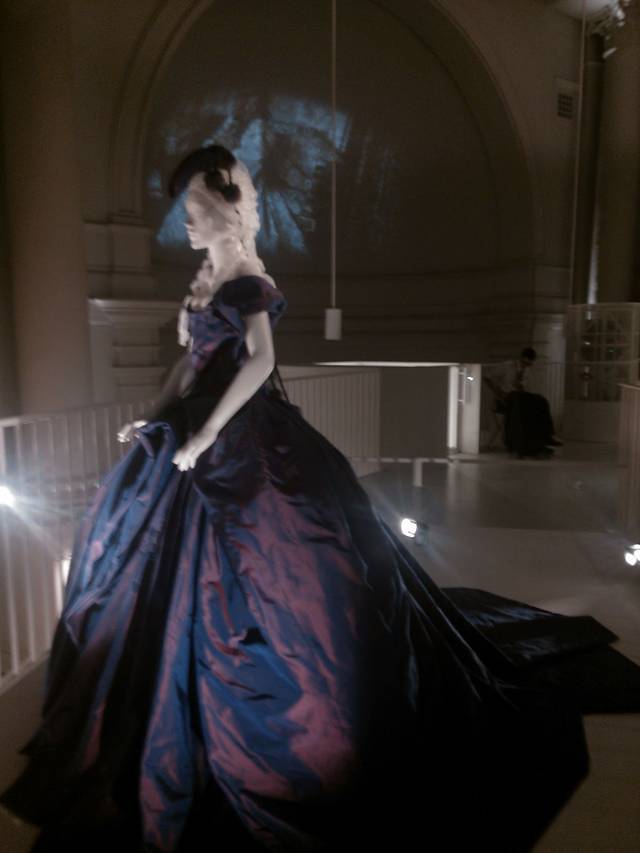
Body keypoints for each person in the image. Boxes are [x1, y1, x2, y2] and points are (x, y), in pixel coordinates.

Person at [1, 144, 638, 852]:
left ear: (226, 211)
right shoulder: (206, 277)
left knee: (278, 569)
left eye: (195, 209)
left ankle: (253, 710)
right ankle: (154, 702)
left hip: (241, 438)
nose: (185, 222)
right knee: (142, 558)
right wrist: (153, 417)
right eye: (184, 211)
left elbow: (262, 361)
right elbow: (189, 364)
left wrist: (206, 433)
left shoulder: (246, 279)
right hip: (190, 435)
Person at [488, 347, 563, 458]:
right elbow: (488, 377)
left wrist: (520, 385)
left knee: (540, 400)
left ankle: (547, 435)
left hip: (518, 396)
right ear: (522, 358)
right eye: (525, 363)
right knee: (518, 401)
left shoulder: (527, 371)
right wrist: (498, 392)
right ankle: (523, 444)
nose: (526, 366)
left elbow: (524, 389)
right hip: (506, 396)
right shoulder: (508, 366)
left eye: (528, 364)